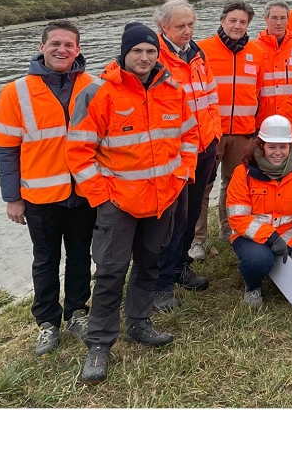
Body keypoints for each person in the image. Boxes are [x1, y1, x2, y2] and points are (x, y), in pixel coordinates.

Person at [66, 23, 200, 385]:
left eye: (150, 51)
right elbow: (78, 151)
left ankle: (140, 324)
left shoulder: (173, 89)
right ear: (124, 53)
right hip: (118, 203)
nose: (144, 58)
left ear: (158, 54)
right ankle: (99, 343)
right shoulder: (99, 92)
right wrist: (101, 194)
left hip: (163, 198)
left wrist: (182, 175)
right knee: (110, 272)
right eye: (137, 51)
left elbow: (190, 135)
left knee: (149, 264)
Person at [0, 20, 97, 356]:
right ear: (42, 47)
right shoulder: (16, 91)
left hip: (84, 194)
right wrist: (12, 198)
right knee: (46, 259)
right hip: (39, 197)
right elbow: (6, 150)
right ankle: (48, 322)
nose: (61, 50)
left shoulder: (95, 86)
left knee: (81, 256)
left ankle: (77, 312)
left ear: (77, 50)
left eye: (68, 45)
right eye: (54, 44)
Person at [151, 0, 219, 312]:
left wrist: (215, 133)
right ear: (162, 27)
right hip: (173, 154)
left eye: (191, 24)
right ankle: (160, 283)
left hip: (203, 147)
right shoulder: (152, 58)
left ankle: (180, 267)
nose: (188, 31)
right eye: (181, 26)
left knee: (191, 214)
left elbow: (210, 96)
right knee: (170, 221)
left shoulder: (196, 54)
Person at [225, 115, 292, 307]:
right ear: (261, 146)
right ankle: (252, 286)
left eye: (283, 147)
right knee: (258, 260)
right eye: (272, 147)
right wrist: (271, 238)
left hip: (290, 235)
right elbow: (237, 217)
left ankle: (275, 267)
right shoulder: (244, 173)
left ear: (291, 147)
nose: (278, 152)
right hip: (251, 236)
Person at [196, 1, 265, 242]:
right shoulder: (202, 49)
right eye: (233, 20)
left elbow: (257, 91)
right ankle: (198, 239)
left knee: (234, 184)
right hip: (211, 132)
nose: (237, 26)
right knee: (203, 186)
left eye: (243, 22)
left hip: (244, 133)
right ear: (222, 20)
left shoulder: (256, 53)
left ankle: (229, 230)